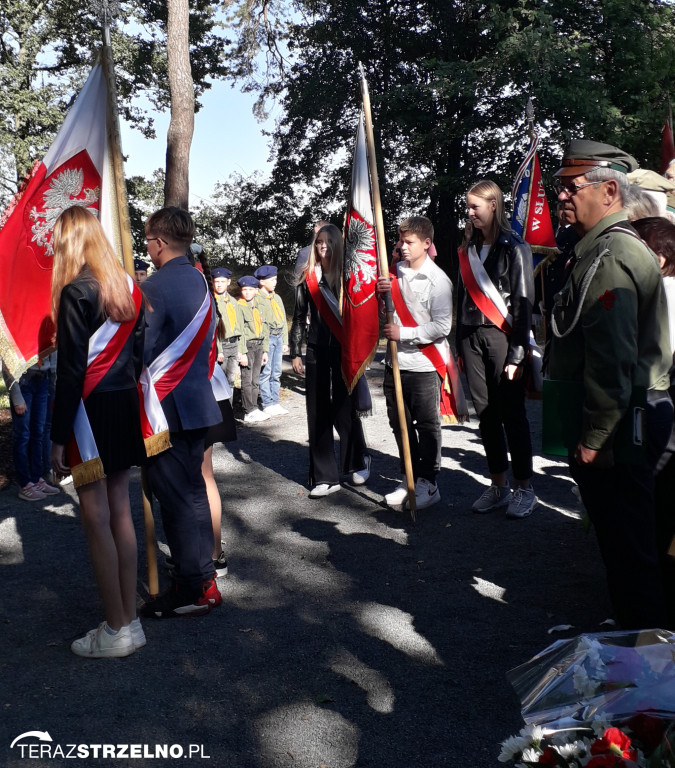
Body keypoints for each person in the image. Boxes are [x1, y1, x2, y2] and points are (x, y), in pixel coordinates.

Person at [549, 140, 673, 629]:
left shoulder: (612, 255)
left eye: (570, 187)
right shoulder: (597, 250)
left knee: (630, 547)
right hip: (625, 415)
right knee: (623, 545)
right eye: (560, 186)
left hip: (621, 423)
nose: (561, 196)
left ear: (608, 190)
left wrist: (597, 440)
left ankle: (644, 663)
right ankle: (631, 635)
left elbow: (612, 360)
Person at [49, 205, 146, 658]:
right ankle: (129, 620)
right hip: (124, 403)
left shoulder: (75, 292)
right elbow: (140, 352)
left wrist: (55, 435)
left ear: (70, 241)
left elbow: (70, 373)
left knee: (95, 517)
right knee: (120, 512)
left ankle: (114, 629)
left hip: (89, 413)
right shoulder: (128, 287)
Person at [139, 207, 222, 619]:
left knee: (174, 498)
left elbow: (143, 349)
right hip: (195, 402)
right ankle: (203, 577)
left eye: (148, 240)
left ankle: (191, 586)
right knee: (192, 494)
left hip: (166, 407)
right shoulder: (198, 279)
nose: (147, 247)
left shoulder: (156, 286)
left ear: (158, 241)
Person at [456, 181, 536, 519]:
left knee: (513, 415)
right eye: (468, 207)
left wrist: (517, 354)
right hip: (470, 337)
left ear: (493, 205)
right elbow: (462, 298)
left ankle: (524, 488)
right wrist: (457, 344)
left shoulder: (514, 247)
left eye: (475, 207)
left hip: (502, 337)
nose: (470, 213)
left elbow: (523, 304)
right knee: (486, 415)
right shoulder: (467, 248)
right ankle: (499, 484)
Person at [376, 216, 452, 510]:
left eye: (410, 242)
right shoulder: (391, 275)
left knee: (427, 424)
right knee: (399, 423)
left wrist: (403, 333)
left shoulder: (438, 280)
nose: (403, 247)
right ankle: (409, 475)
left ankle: (428, 483)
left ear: (426, 244)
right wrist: (380, 293)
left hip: (423, 363)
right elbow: (383, 314)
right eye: (401, 241)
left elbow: (442, 326)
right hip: (394, 362)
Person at [290, 223, 370, 498]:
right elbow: (299, 318)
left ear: (337, 244)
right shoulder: (307, 277)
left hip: (343, 348)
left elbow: (363, 314)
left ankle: (358, 459)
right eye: (318, 242)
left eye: (328, 241)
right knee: (317, 412)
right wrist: (296, 352)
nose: (322, 246)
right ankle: (326, 476)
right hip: (316, 348)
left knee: (344, 409)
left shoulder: (350, 277)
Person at [3, 357, 59, 501]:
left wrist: (53, 379)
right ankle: (24, 484)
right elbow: (7, 360)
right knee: (22, 436)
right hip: (23, 381)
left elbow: (53, 352)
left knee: (38, 433)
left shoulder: (47, 333)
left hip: (43, 379)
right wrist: (16, 396)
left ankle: (35, 478)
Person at [255, 264, 289, 416]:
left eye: (275, 279)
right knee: (266, 371)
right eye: (272, 280)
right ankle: (267, 403)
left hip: (278, 336)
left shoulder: (277, 298)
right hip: (266, 338)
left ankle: (275, 402)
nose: (275, 282)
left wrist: (286, 341)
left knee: (276, 371)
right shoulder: (256, 298)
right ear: (262, 282)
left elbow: (283, 321)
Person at [237, 275, 270, 423]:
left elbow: (264, 328)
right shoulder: (240, 306)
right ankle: (248, 410)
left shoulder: (258, 306)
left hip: (258, 345)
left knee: (255, 379)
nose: (248, 292)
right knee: (247, 379)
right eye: (244, 290)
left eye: (251, 289)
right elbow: (241, 332)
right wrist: (242, 352)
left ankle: (254, 407)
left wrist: (265, 350)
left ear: (256, 291)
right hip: (248, 346)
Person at [212, 267, 246, 390]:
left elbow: (240, 327)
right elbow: (213, 329)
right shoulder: (212, 301)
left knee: (231, 380)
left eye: (222, 281)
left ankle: (228, 409)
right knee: (219, 382)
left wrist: (241, 349)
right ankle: (220, 409)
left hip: (234, 344)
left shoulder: (233, 301)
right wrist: (219, 350)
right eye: (217, 282)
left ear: (228, 282)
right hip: (222, 345)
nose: (219, 285)